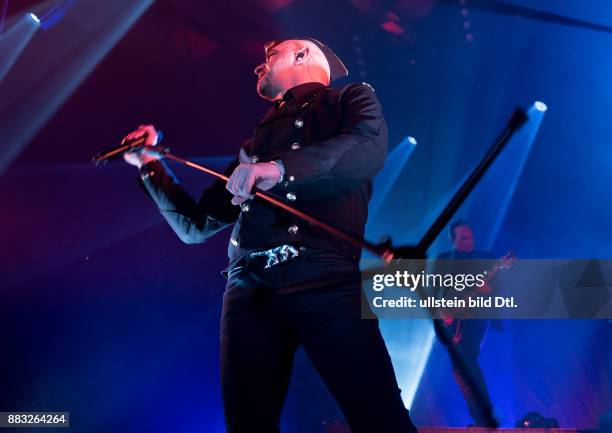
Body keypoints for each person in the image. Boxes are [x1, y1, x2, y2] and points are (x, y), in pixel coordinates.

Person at [123, 38, 417, 433]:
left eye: (269, 56)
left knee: (377, 415)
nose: (257, 67)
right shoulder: (254, 147)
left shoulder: (349, 99)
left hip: (323, 277)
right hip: (248, 289)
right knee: (247, 424)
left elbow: (365, 149)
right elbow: (195, 226)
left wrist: (279, 170)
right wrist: (149, 166)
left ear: (302, 55)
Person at [432, 219, 500, 427]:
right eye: (463, 238)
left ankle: (485, 415)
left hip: (476, 318)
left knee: (467, 359)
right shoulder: (443, 260)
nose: (469, 241)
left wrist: (487, 290)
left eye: (470, 236)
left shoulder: (486, 259)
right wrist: (443, 313)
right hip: (452, 321)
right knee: (460, 369)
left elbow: (498, 289)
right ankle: (481, 416)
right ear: (453, 241)